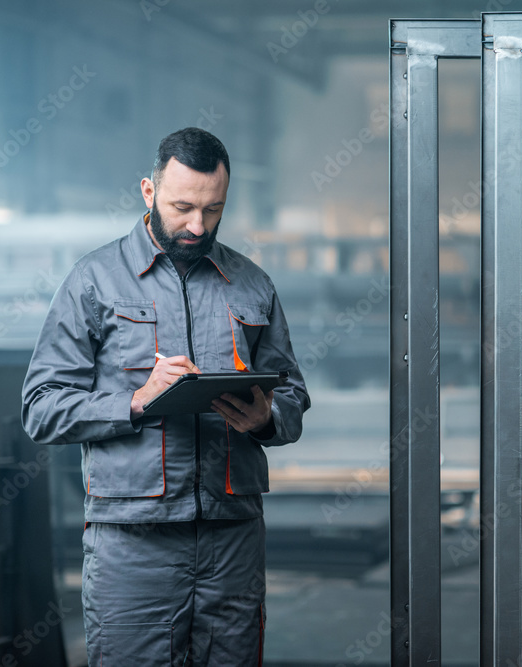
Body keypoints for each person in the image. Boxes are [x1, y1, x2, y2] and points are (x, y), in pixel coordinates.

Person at [21, 127, 309, 665]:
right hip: (134, 544)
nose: (197, 225)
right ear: (148, 192)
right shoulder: (94, 282)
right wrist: (134, 401)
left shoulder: (251, 284)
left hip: (233, 537)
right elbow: (40, 406)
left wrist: (266, 420)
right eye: (182, 207)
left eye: (213, 209)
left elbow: (292, 393)